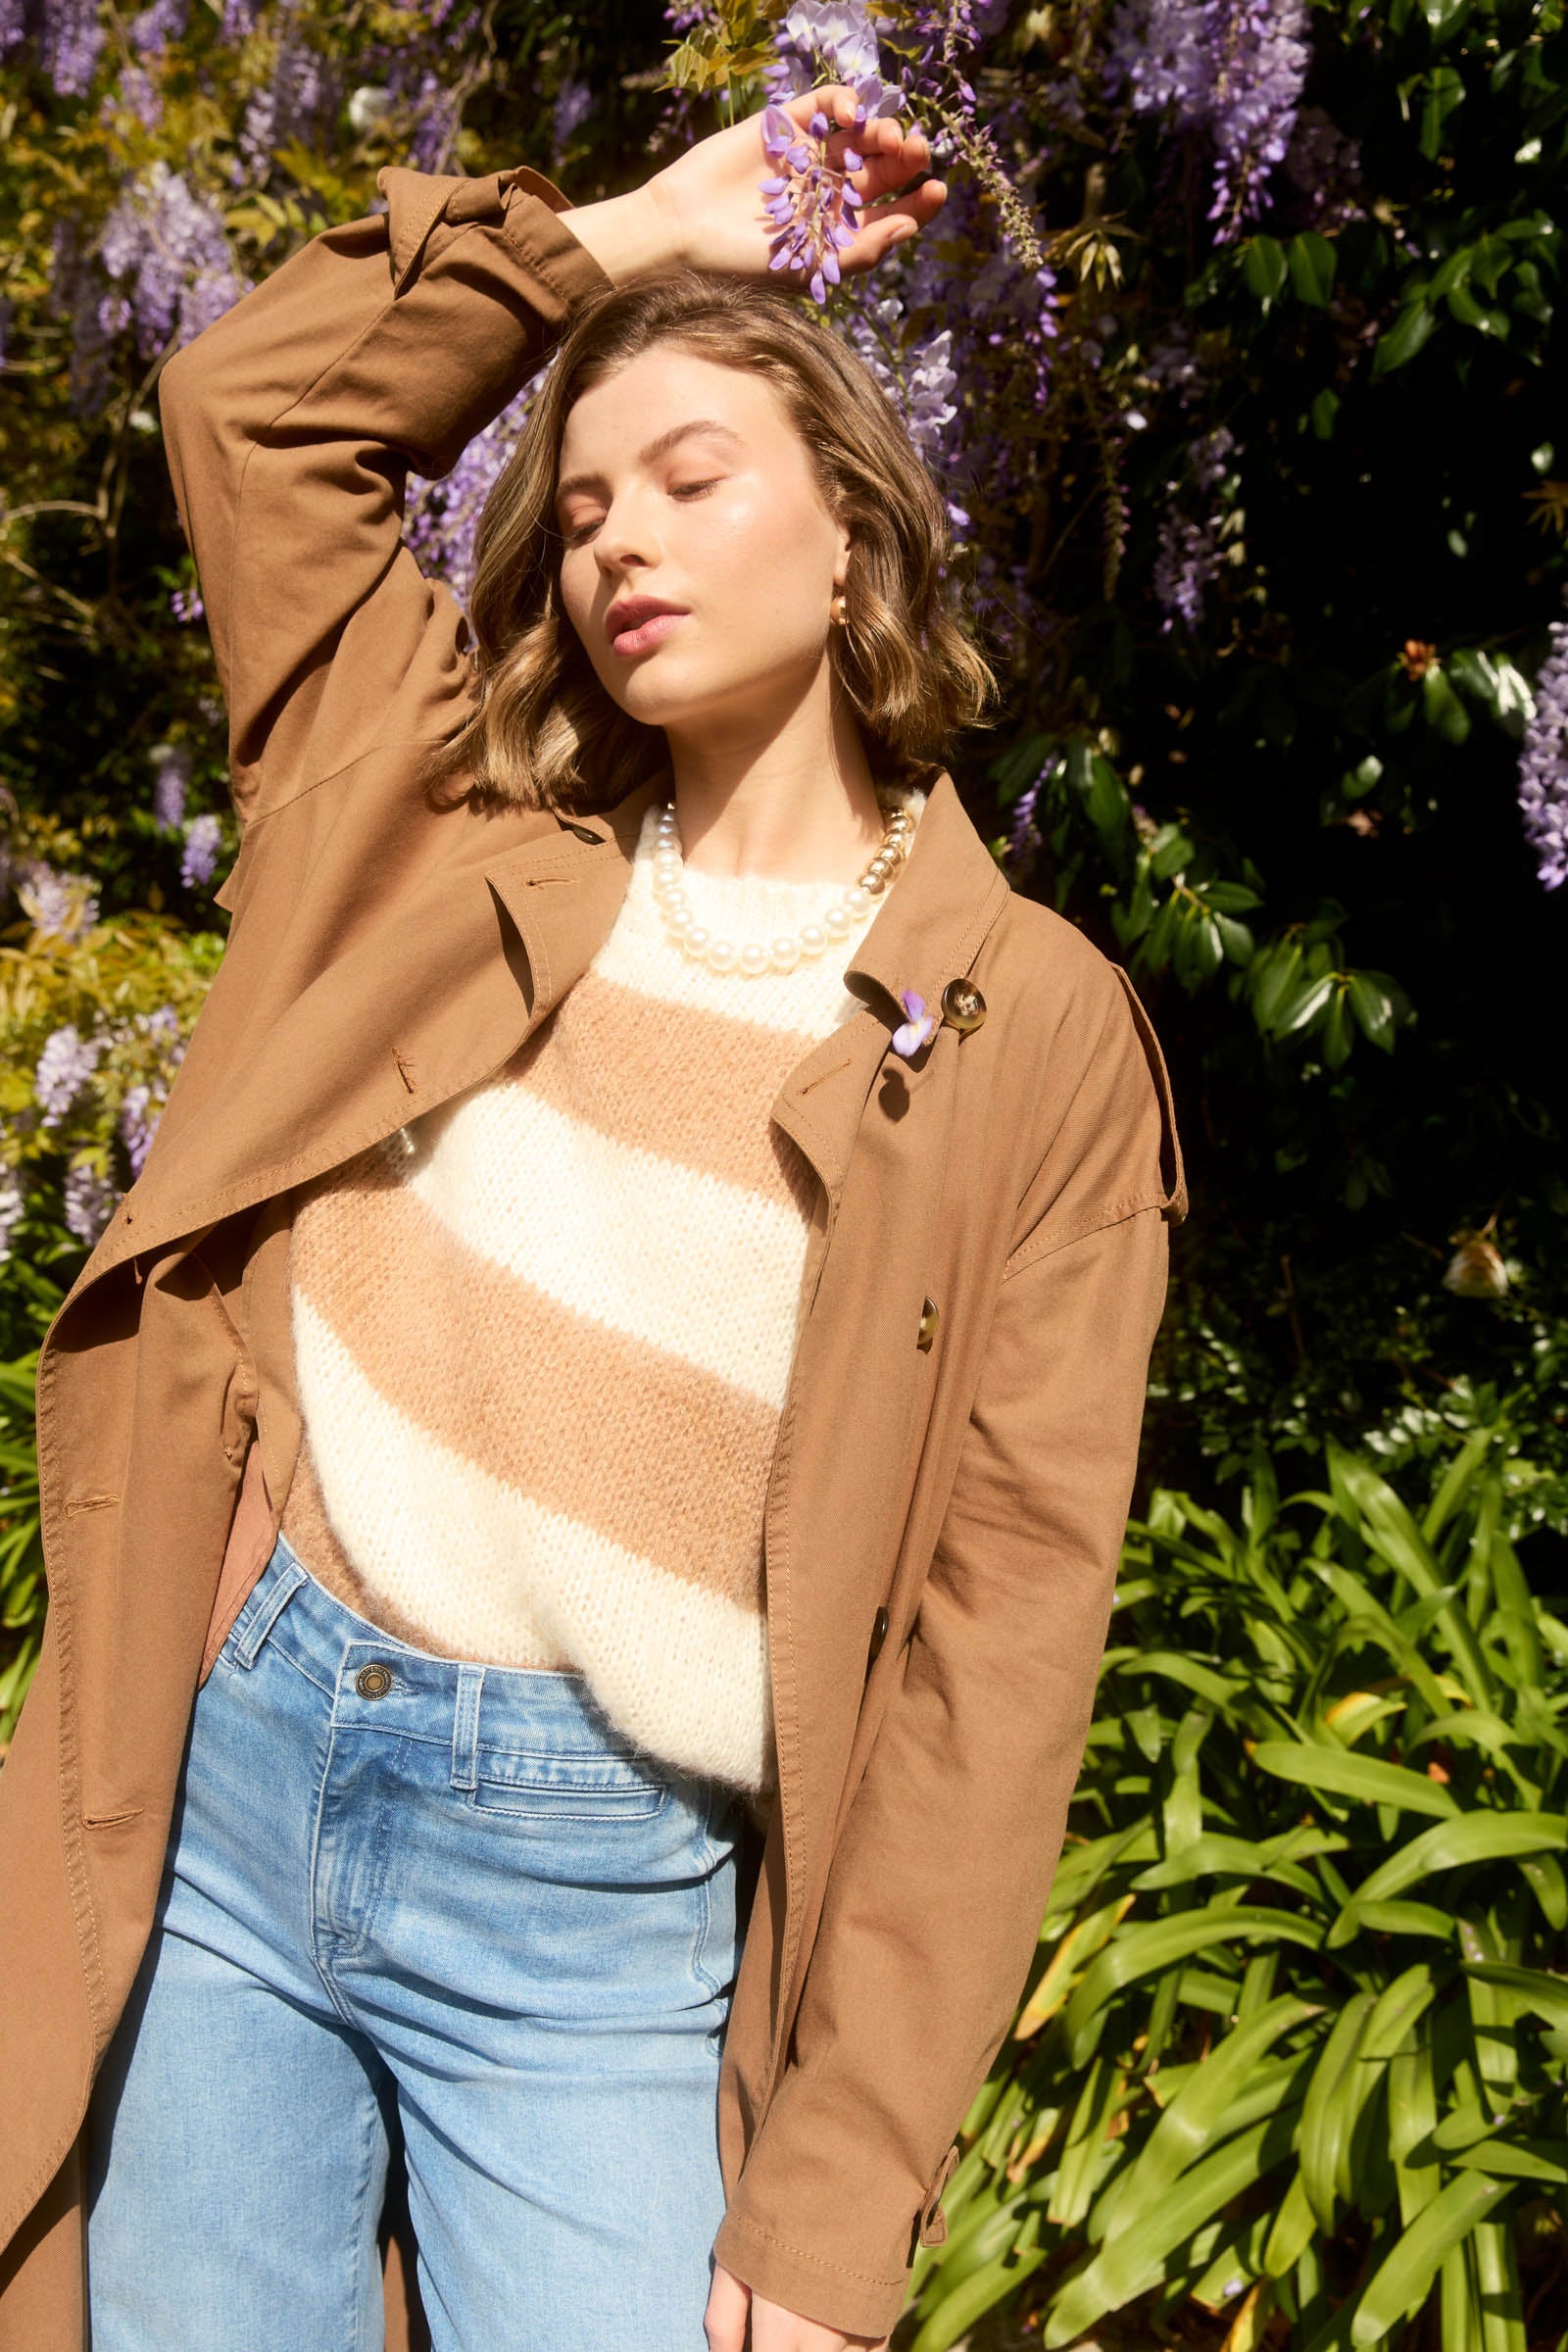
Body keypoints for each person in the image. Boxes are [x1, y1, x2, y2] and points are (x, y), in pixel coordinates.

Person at [0, 82, 1185, 2352]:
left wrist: (836, 2200)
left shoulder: (1016, 1025)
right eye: (577, 507)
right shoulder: (447, 821)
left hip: (594, 1901)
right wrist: (628, 234)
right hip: (237, 1762)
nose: (616, 539)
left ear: (851, 537)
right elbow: (249, 414)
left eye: (691, 477)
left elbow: (998, 1652)